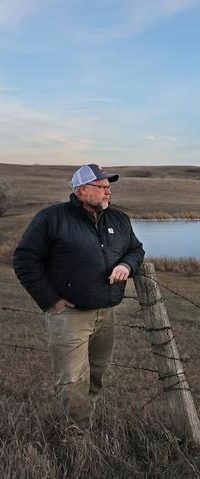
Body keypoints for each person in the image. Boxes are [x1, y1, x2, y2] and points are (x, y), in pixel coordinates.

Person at [13, 164, 145, 428]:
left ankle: (84, 423)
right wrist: (50, 300)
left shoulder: (119, 219)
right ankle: (76, 437)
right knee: (73, 379)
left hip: (106, 314)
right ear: (82, 190)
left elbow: (136, 249)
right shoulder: (52, 218)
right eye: (102, 187)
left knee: (96, 375)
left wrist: (126, 265)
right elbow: (25, 259)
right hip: (69, 315)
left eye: (109, 187)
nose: (108, 192)